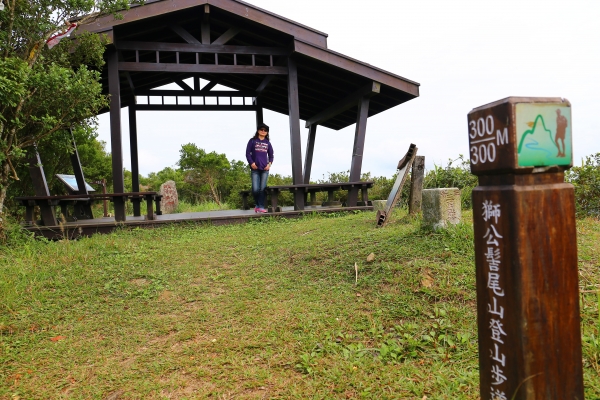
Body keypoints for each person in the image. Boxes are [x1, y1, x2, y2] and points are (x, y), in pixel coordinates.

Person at [246, 123, 274, 213]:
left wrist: (269, 165)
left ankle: (260, 206)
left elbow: (271, 155)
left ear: (267, 132)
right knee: (255, 189)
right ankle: (258, 205)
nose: (263, 131)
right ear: (258, 131)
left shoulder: (268, 143)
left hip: (265, 169)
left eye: (265, 130)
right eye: (261, 130)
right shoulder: (252, 141)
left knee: (262, 189)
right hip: (255, 169)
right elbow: (247, 153)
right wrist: (251, 163)